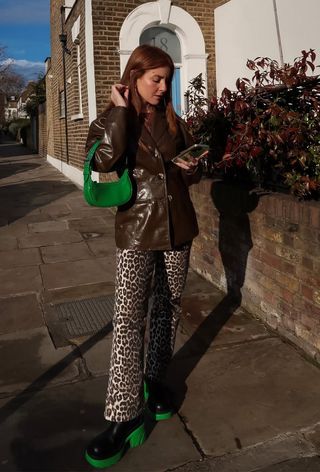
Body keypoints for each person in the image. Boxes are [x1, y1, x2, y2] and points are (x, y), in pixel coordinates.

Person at [84, 44, 202, 469]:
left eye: (167, 79)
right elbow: (104, 161)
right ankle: (122, 415)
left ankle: (154, 381)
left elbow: (191, 162)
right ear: (133, 76)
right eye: (156, 78)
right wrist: (119, 113)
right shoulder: (111, 119)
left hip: (179, 228)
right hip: (136, 231)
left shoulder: (174, 120)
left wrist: (193, 168)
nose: (163, 87)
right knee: (129, 320)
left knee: (167, 310)